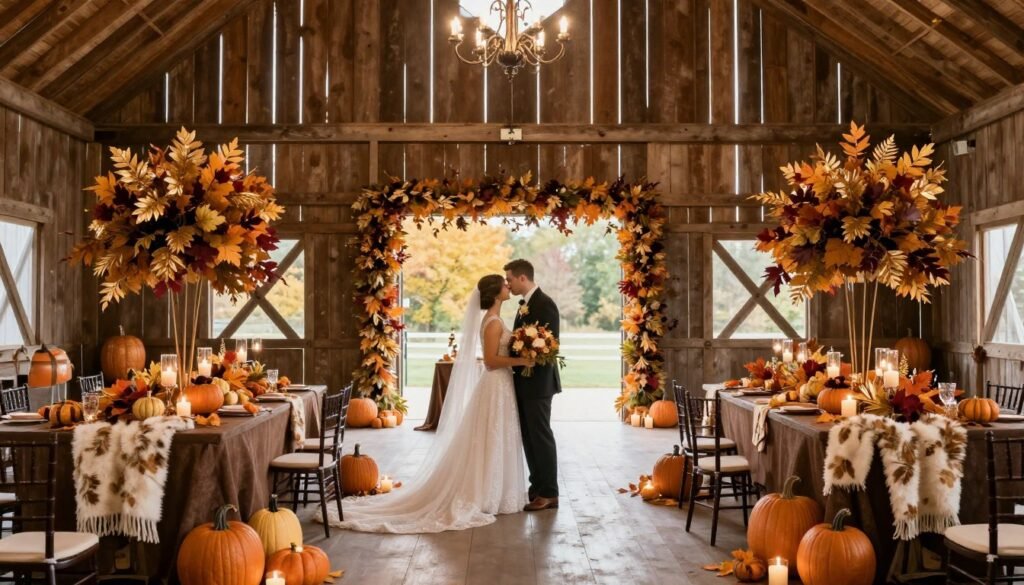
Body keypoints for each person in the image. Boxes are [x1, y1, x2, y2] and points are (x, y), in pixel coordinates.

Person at [326, 274, 533, 533]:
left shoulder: (496, 319)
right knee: (491, 436)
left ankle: (498, 492)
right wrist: (522, 362)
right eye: (504, 284)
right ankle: (486, 494)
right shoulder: (492, 323)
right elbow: (491, 361)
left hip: (501, 386)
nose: (508, 286)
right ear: (495, 292)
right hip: (495, 385)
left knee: (496, 437)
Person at [504, 259, 561, 512]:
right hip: (524, 381)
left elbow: (550, 344)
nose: (508, 283)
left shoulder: (545, 304)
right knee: (529, 437)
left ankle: (549, 493)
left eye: (510, 279)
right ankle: (536, 486)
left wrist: (527, 356)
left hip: (538, 383)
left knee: (540, 436)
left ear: (522, 278)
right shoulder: (525, 305)